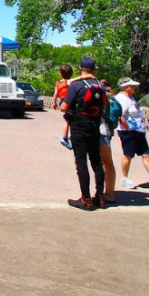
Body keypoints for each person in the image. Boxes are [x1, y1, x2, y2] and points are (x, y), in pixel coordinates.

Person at [61, 57, 106, 210]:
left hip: (80, 125)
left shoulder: (77, 85)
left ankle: (85, 199)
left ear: (80, 68)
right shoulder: (100, 85)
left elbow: (64, 107)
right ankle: (100, 197)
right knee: (97, 162)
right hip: (95, 125)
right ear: (94, 70)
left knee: (81, 162)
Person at [99, 80, 120, 206]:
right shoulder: (109, 94)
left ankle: (100, 194)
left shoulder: (94, 91)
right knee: (108, 161)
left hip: (96, 129)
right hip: (106, 129)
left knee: (99, 162)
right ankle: (110, 193)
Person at [54, 65, 73, 150]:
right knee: (69, 120)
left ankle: (68, 136)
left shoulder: (58, 83)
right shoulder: (69, 82)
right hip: (69, 101)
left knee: (69, 119)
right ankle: (65, 138)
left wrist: (54, 103)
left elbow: (55, 94)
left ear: (60, 74)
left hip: (62, 101)